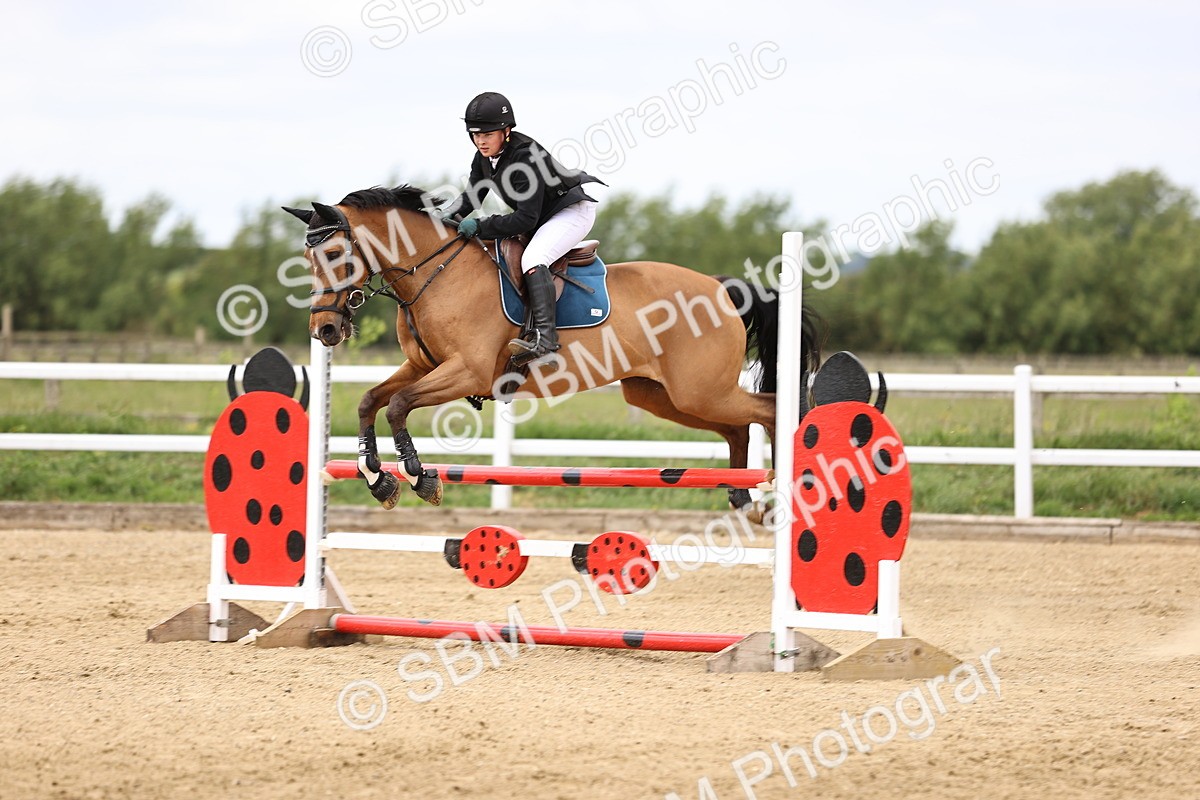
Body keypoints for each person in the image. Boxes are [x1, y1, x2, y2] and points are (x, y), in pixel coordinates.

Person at [441, 91, 604, 364]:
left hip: (570, 213)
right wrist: (443, 216)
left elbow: (525, 219)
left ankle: (546, 339)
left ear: (506, 131)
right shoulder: (483, 158)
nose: (480, 141)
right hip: (544, 216)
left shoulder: (524, 158)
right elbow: (471, 197)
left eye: (487, 134)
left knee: (533, 258)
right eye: (475, 134)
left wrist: (479, 226)